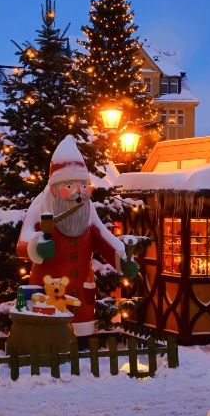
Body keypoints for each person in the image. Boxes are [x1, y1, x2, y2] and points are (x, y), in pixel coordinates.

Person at [16, 135, 128, 337]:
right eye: (70, 186)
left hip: (83, 294)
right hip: (49, 289)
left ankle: (82, 345)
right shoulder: (42, 206)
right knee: (53, 334)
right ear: (54, 188)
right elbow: (22, 244)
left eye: (84, 186)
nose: (79, 192)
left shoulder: (87, 209)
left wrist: (122, 260)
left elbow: (103, 237)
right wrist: (36, 246)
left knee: (82, 337)